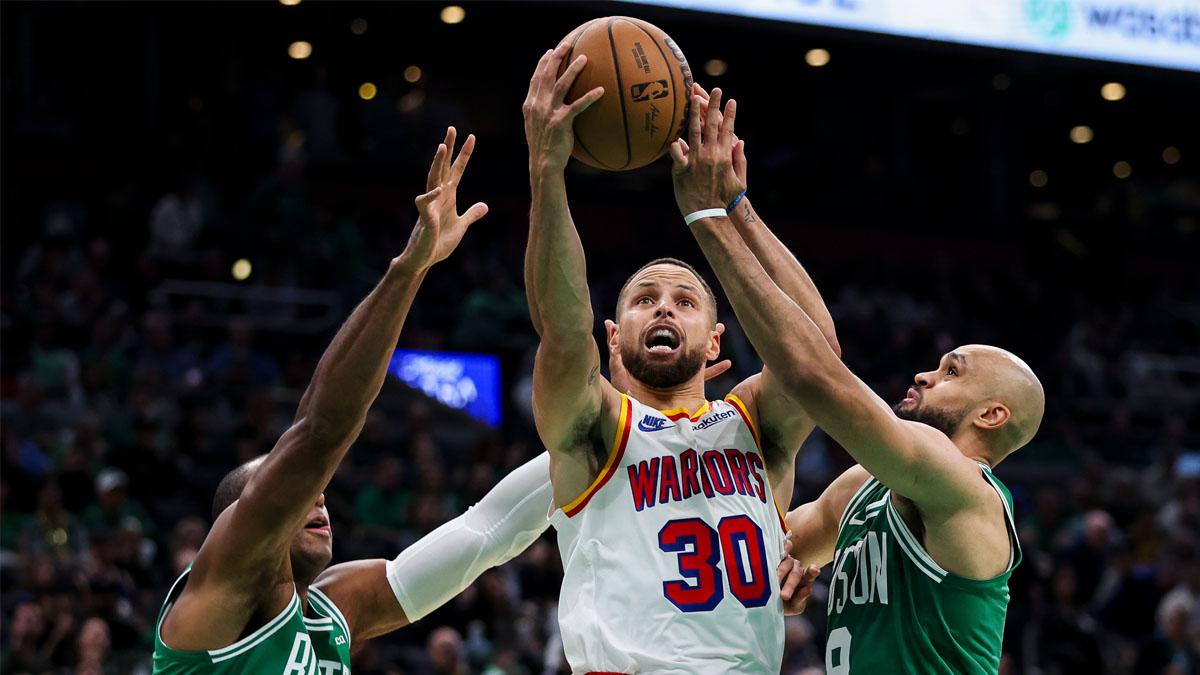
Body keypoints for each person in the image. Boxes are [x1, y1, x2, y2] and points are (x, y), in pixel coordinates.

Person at [674, 86, 1045, 675]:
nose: (925, 373)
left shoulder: (964, 491)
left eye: (951, 371)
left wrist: (706, 216)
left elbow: (812, 373)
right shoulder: (862, 488)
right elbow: (765, 547)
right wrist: (737, 203)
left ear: (991, 415)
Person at [521, 43, 834, 673]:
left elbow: (817, 354)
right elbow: (564, 329)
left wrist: (733, 207)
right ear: (614, 338)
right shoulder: (594, 426)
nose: (664, 308)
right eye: (645, 299)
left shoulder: (755, 424)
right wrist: (546, 173)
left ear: (716, 341)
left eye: (685, 302)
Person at [152, 128, 504, 673]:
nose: (317, 496)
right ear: (241, 528)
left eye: (316, 492)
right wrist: (408, 270)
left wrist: (595, 436)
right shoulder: (212, 604)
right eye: (293, 490)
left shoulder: (332, 609)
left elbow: (484, 532)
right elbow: (319, 431)